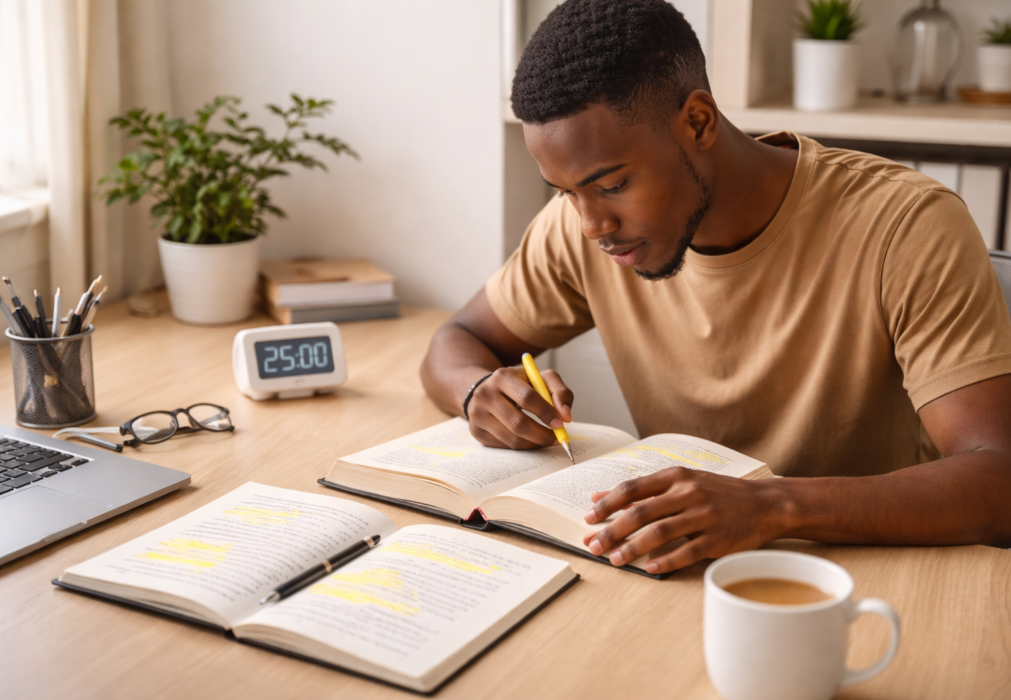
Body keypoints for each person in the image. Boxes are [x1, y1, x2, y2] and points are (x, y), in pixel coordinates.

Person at [420, 0, 1011, 575]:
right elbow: (459, 337)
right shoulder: (582, 230)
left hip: (874, 578)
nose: (590, 225)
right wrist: (479, 392)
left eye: (613, 184)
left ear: (698, 122)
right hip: (680, 570)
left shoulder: (904, 225)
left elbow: (997, 475)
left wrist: (770, 506)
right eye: (565, 191)